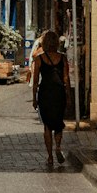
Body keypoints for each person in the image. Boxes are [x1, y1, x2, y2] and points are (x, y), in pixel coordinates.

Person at [31, 29, 70, 167]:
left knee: (47, 125)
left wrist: (34, 99)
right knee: (58, 123)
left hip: (45, 93)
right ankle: (58, 147)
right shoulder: (63, 58)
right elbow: (66, 79)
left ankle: (49, 157)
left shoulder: (39, 58)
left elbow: (35, 80)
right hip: (59, 93)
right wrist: (68, 96)